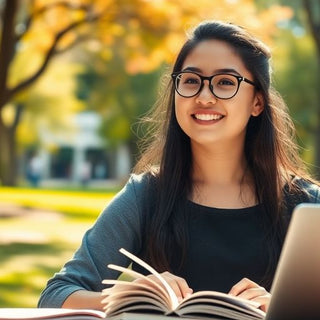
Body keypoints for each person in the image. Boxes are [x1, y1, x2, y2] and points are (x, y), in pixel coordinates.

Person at [38, 21, 320, 312]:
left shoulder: (308, 205)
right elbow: (55, 296)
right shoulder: (144, 196)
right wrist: (133, 299)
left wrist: (283, 309)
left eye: (225, 82)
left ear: (257, 102)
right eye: (190, 80)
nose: (204, 96)